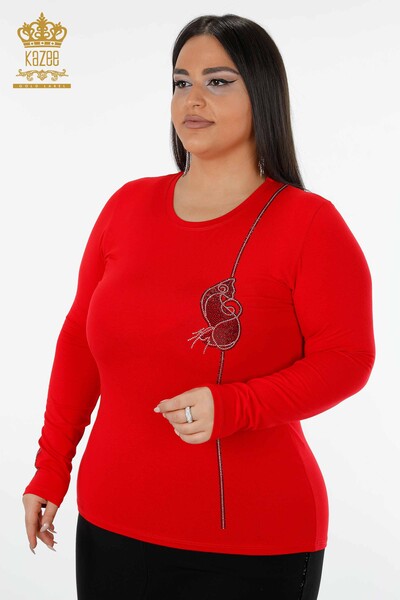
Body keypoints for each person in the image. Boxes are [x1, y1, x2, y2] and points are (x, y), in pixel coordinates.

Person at [22, 13, 375, 600]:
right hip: (111, 526)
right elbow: (79, 343)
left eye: (218, 81)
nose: (193, 98)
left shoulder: (309, 224)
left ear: (262, 94)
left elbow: (348, 359)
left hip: (256, 543)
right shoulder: (126, 207)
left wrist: (235, 405)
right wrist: (50, 466)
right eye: (181, 82)